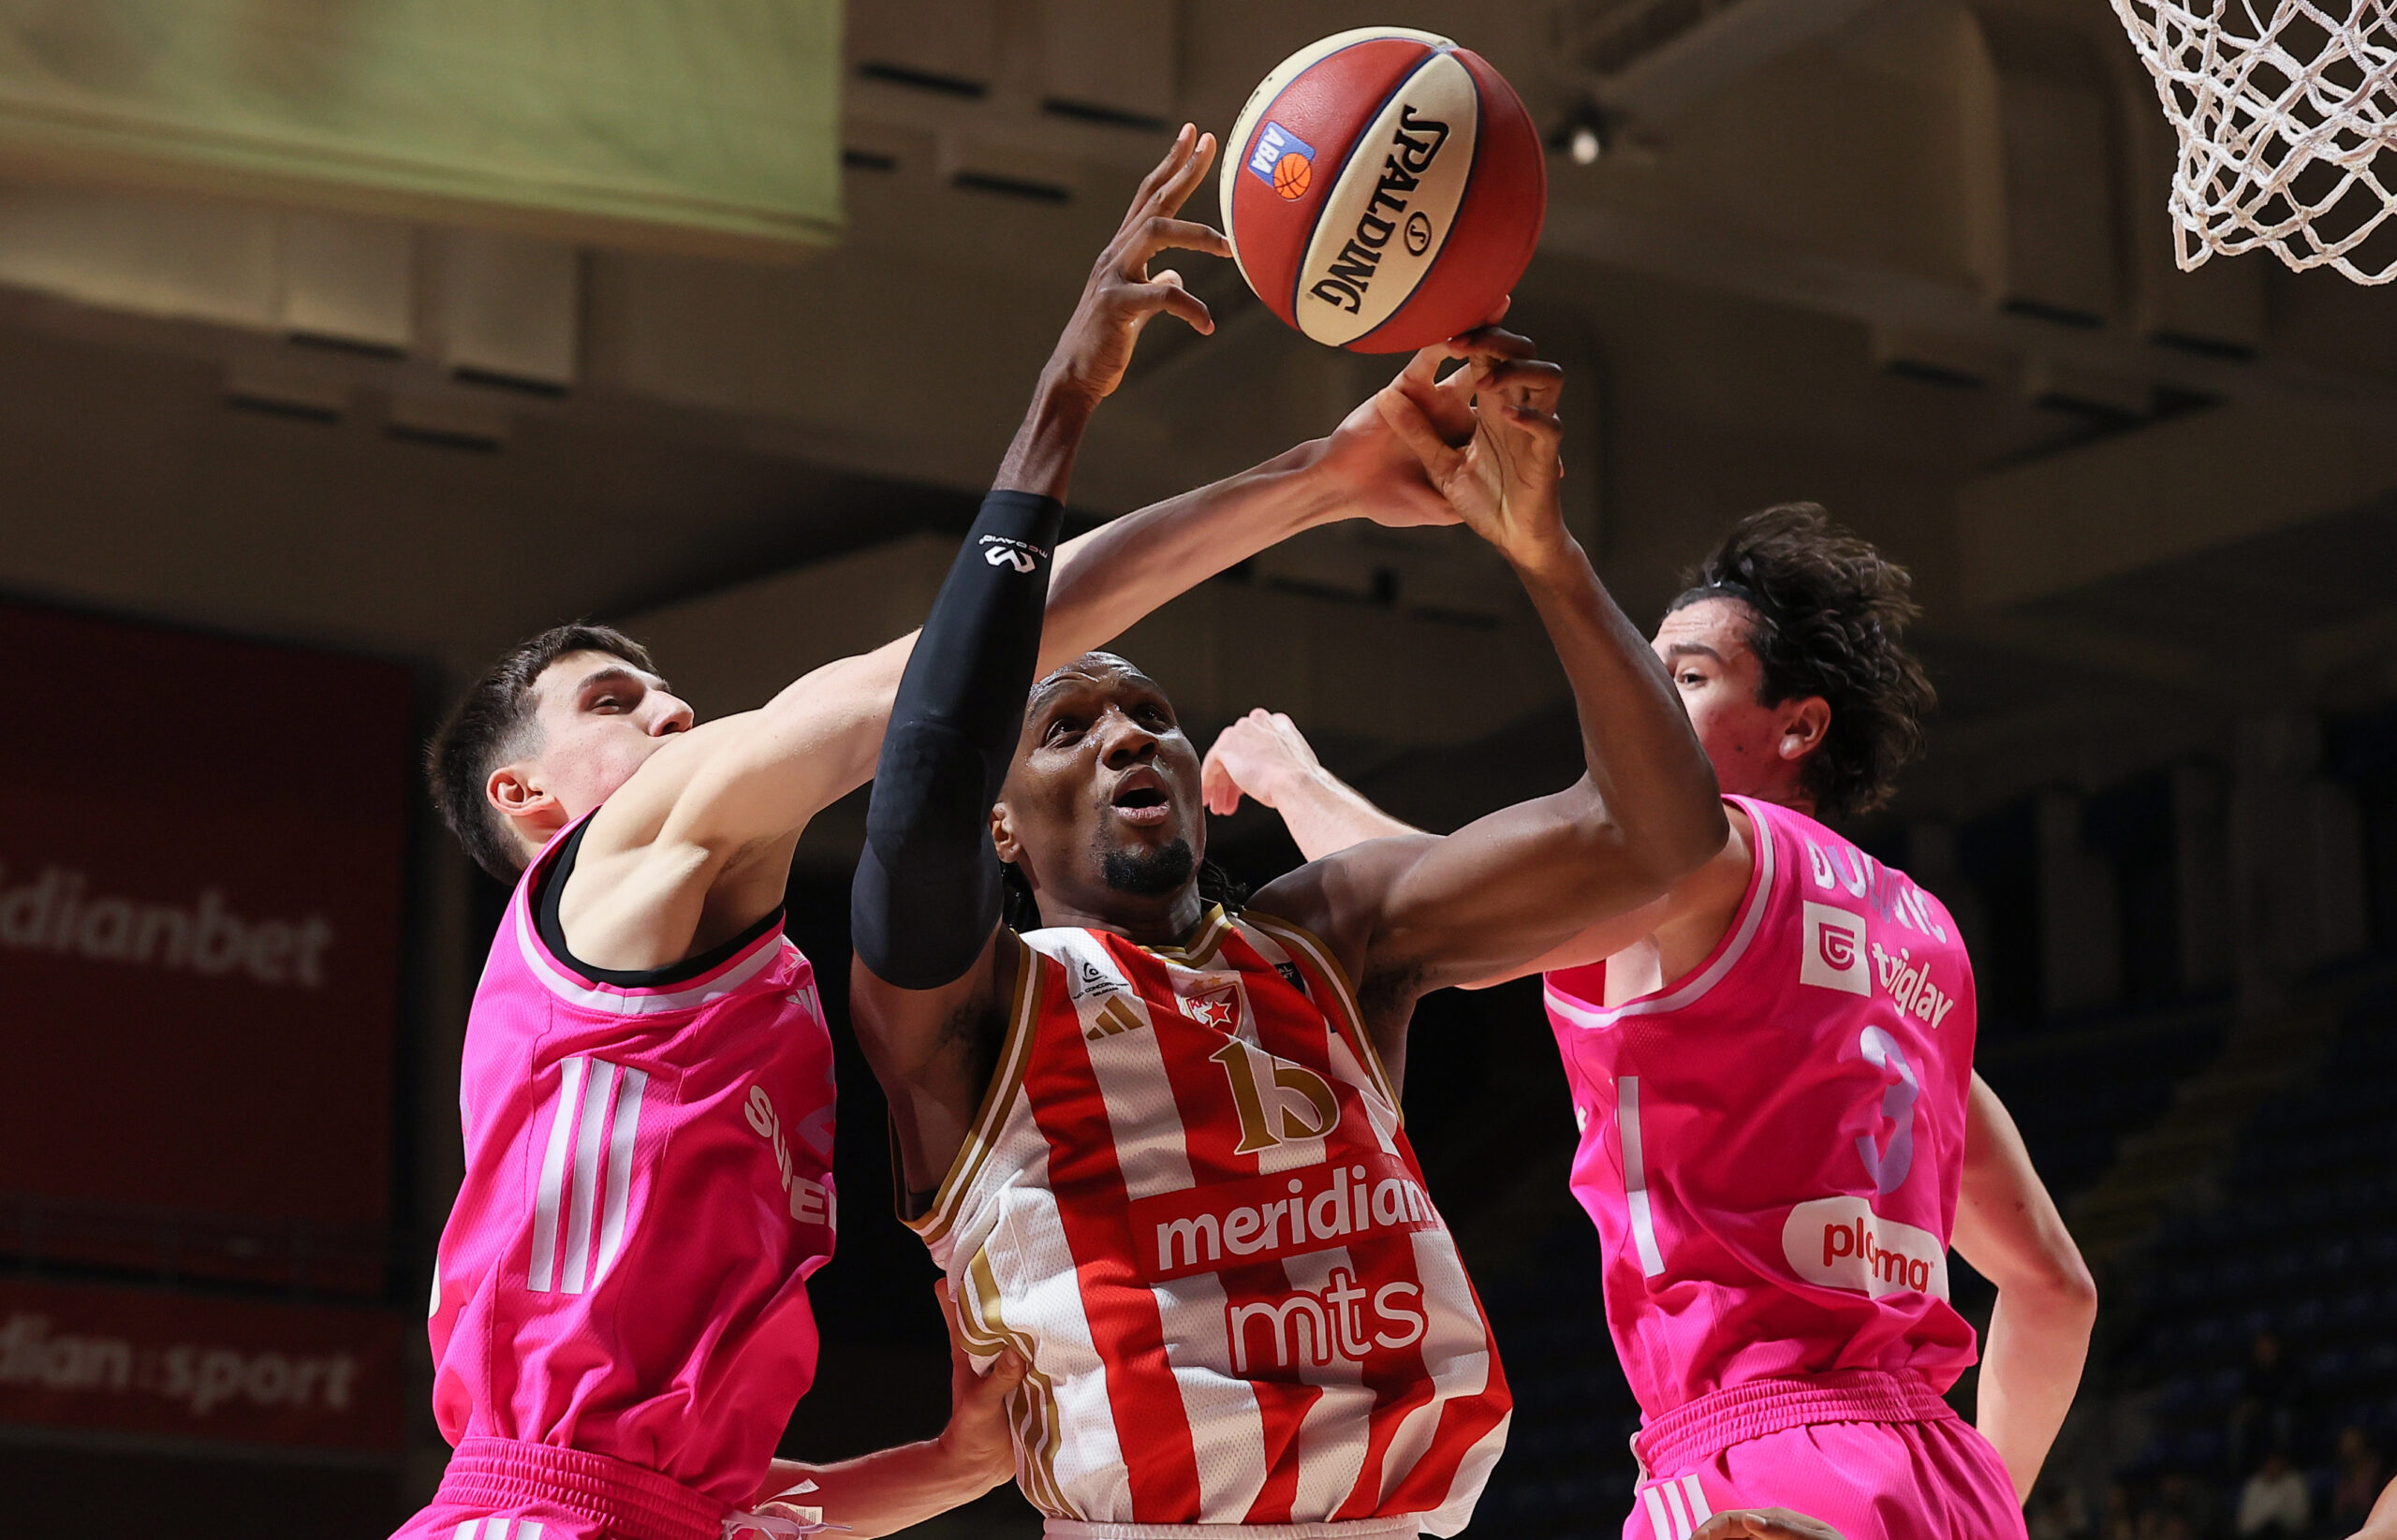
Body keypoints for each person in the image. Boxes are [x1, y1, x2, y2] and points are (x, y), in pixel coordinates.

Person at [399, 125, 1466, 1540]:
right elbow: (938, 681)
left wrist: (956, 1461)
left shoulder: (733, 984)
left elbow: (746, 1510)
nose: (671, 712)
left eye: (666, 691)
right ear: (527, 800)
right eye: (612, 701)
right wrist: (1311, 475)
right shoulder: (618, 858)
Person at [1198, 505, 2099, 1537]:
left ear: (1797, 726)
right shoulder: (1922, 945)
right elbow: (2055, 1289)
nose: (1644, 695)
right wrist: (1974, 1504)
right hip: (1945, 1477)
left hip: (1759, 1461)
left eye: (1688, 676)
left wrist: (1291, 778)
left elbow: (1420, 906)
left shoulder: (1706, 863)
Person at [2235, 1451, 2310, 1537]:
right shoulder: (2254, 1484)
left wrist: (2276, 1515)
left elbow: (2300, 1520)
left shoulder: (2295, 1483)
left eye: (2277, 1464)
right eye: (2270, 1464)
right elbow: (2244, 1523)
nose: (2273, 1467)